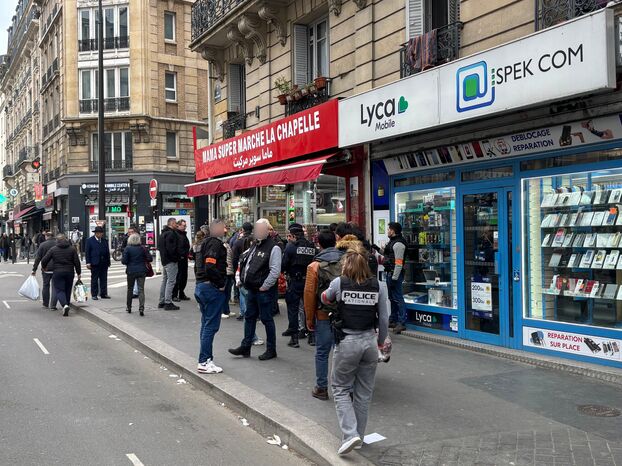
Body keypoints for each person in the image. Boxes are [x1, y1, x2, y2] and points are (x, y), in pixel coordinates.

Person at [321, 244, 389, 455]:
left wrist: (328, 296)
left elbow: (325, 298)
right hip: (369, 342)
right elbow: (384, 318)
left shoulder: (339, 282)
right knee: (363, 393)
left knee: (340, 388)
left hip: (347, 341)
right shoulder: (379, 286)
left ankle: (350, 435)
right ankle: (358, 436)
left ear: (345, 265)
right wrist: (381, 342)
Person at [229, 218, 281, 361]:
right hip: (252, 288)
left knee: (266, 319)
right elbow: (247, 262)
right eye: (256, 229)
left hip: (263, 290)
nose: (258, 232)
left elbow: (275, 271)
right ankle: (246, 346)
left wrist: (265, 286)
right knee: (249, 317)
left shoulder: (274, 247)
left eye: (261, 229)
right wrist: (242, 280)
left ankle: (271, 349)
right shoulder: (255, 244)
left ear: (267, 231)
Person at [304, 230, 344, 400]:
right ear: (335, 241)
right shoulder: (347, 261)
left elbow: (309, 294)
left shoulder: (314, 266)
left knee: (322, 352)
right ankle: (344, 388)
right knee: (341, 352)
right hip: (344, 313)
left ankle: (321, 388)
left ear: (319, 244)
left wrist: (309, 318)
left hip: (323, 313)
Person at [195, 219, 228, 374]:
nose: (225, 230)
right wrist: (220, 283)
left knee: (206, 324)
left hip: (202, 286)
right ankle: (204, 360)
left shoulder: (204, 243)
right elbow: (210, 265)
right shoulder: (215, 244)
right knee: (210, 326)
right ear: (216, 228)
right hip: (211, 288)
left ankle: (205, 359)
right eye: (223, 227)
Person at [282, 223, 316, 348]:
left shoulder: (291, 247)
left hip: (295, 282)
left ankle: (294, 338)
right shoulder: (311, 246)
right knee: (309, 308)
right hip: (309, 281)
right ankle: (312, 336)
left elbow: (283, 265)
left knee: (293, 310)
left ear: (293, 235)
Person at [41, 234, 82, 317]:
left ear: (57, 241)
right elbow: (77, 262)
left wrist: (44, 267)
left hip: (58, 272)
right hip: (69, 272)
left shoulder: (53, 249)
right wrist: (79, 273)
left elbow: (44, 260)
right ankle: (67, 304)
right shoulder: (72, 249)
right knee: (68, 289)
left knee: (59, 290)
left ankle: (64, 305)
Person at [382, 221, 408, 334]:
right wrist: (376, 248)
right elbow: (388, 255)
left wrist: (394, 278)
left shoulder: (398, 244)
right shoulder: (392, 242)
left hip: (395, 274)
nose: (387, 231)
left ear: (393, 231)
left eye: (389, 229)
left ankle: (401, 322)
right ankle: (393, 319)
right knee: (392, 298)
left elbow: (398, 263)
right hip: (390, 273)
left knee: (398, 298)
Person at [121, 233, 152, 316]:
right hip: (142, 271)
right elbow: (150, 258)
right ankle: (141, 308)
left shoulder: (127, 248)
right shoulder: (143, 248)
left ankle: (129, 307)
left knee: (130, 289)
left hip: (131, 271)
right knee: (141, 289)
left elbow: (124, 261)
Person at [158, 217, 181, 310]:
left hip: (164, 260)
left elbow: (160, 247)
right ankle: (168, 302)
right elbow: (172, 249)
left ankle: (162, 301)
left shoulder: (163, 233)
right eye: (175, 223)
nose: (177, 225)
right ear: (171, 224)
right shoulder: (171, 234)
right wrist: (176, 258)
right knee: (171, 281)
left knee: (165, 280)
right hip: (171, 261)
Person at [31, 232, 57, 310]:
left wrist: (34, 269)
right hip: (56, 268)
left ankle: (45, 304)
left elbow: (38, 258)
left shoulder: (42, 245)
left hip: (46, 268)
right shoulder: (57, 244)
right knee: (55, 286)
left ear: (46, 236)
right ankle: (53, 305)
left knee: (46, 285)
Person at [85, 226, 111, 300]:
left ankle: (103, 293)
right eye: (98, 233)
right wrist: (88, 262)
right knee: (94, 279)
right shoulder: (90, 240)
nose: (100, 234)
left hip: (104, 263)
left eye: (101, 233)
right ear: (96, 233)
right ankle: (94, 294)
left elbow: (107, 252)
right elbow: (87, 252)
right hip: (94, 262)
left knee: (104, 279)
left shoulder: (104, 241)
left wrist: (108, 262)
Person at [172, 219, 191, 302]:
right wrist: (181, 255)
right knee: (178, 276)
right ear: (178, 225)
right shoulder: (176, 234)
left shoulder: (183, 234)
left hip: (184, 258)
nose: (185, 227)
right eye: (184, 225)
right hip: (180, 258)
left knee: (183, 276)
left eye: (185, 225)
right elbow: (178, 247)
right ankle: (174, 294)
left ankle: (181, 293)